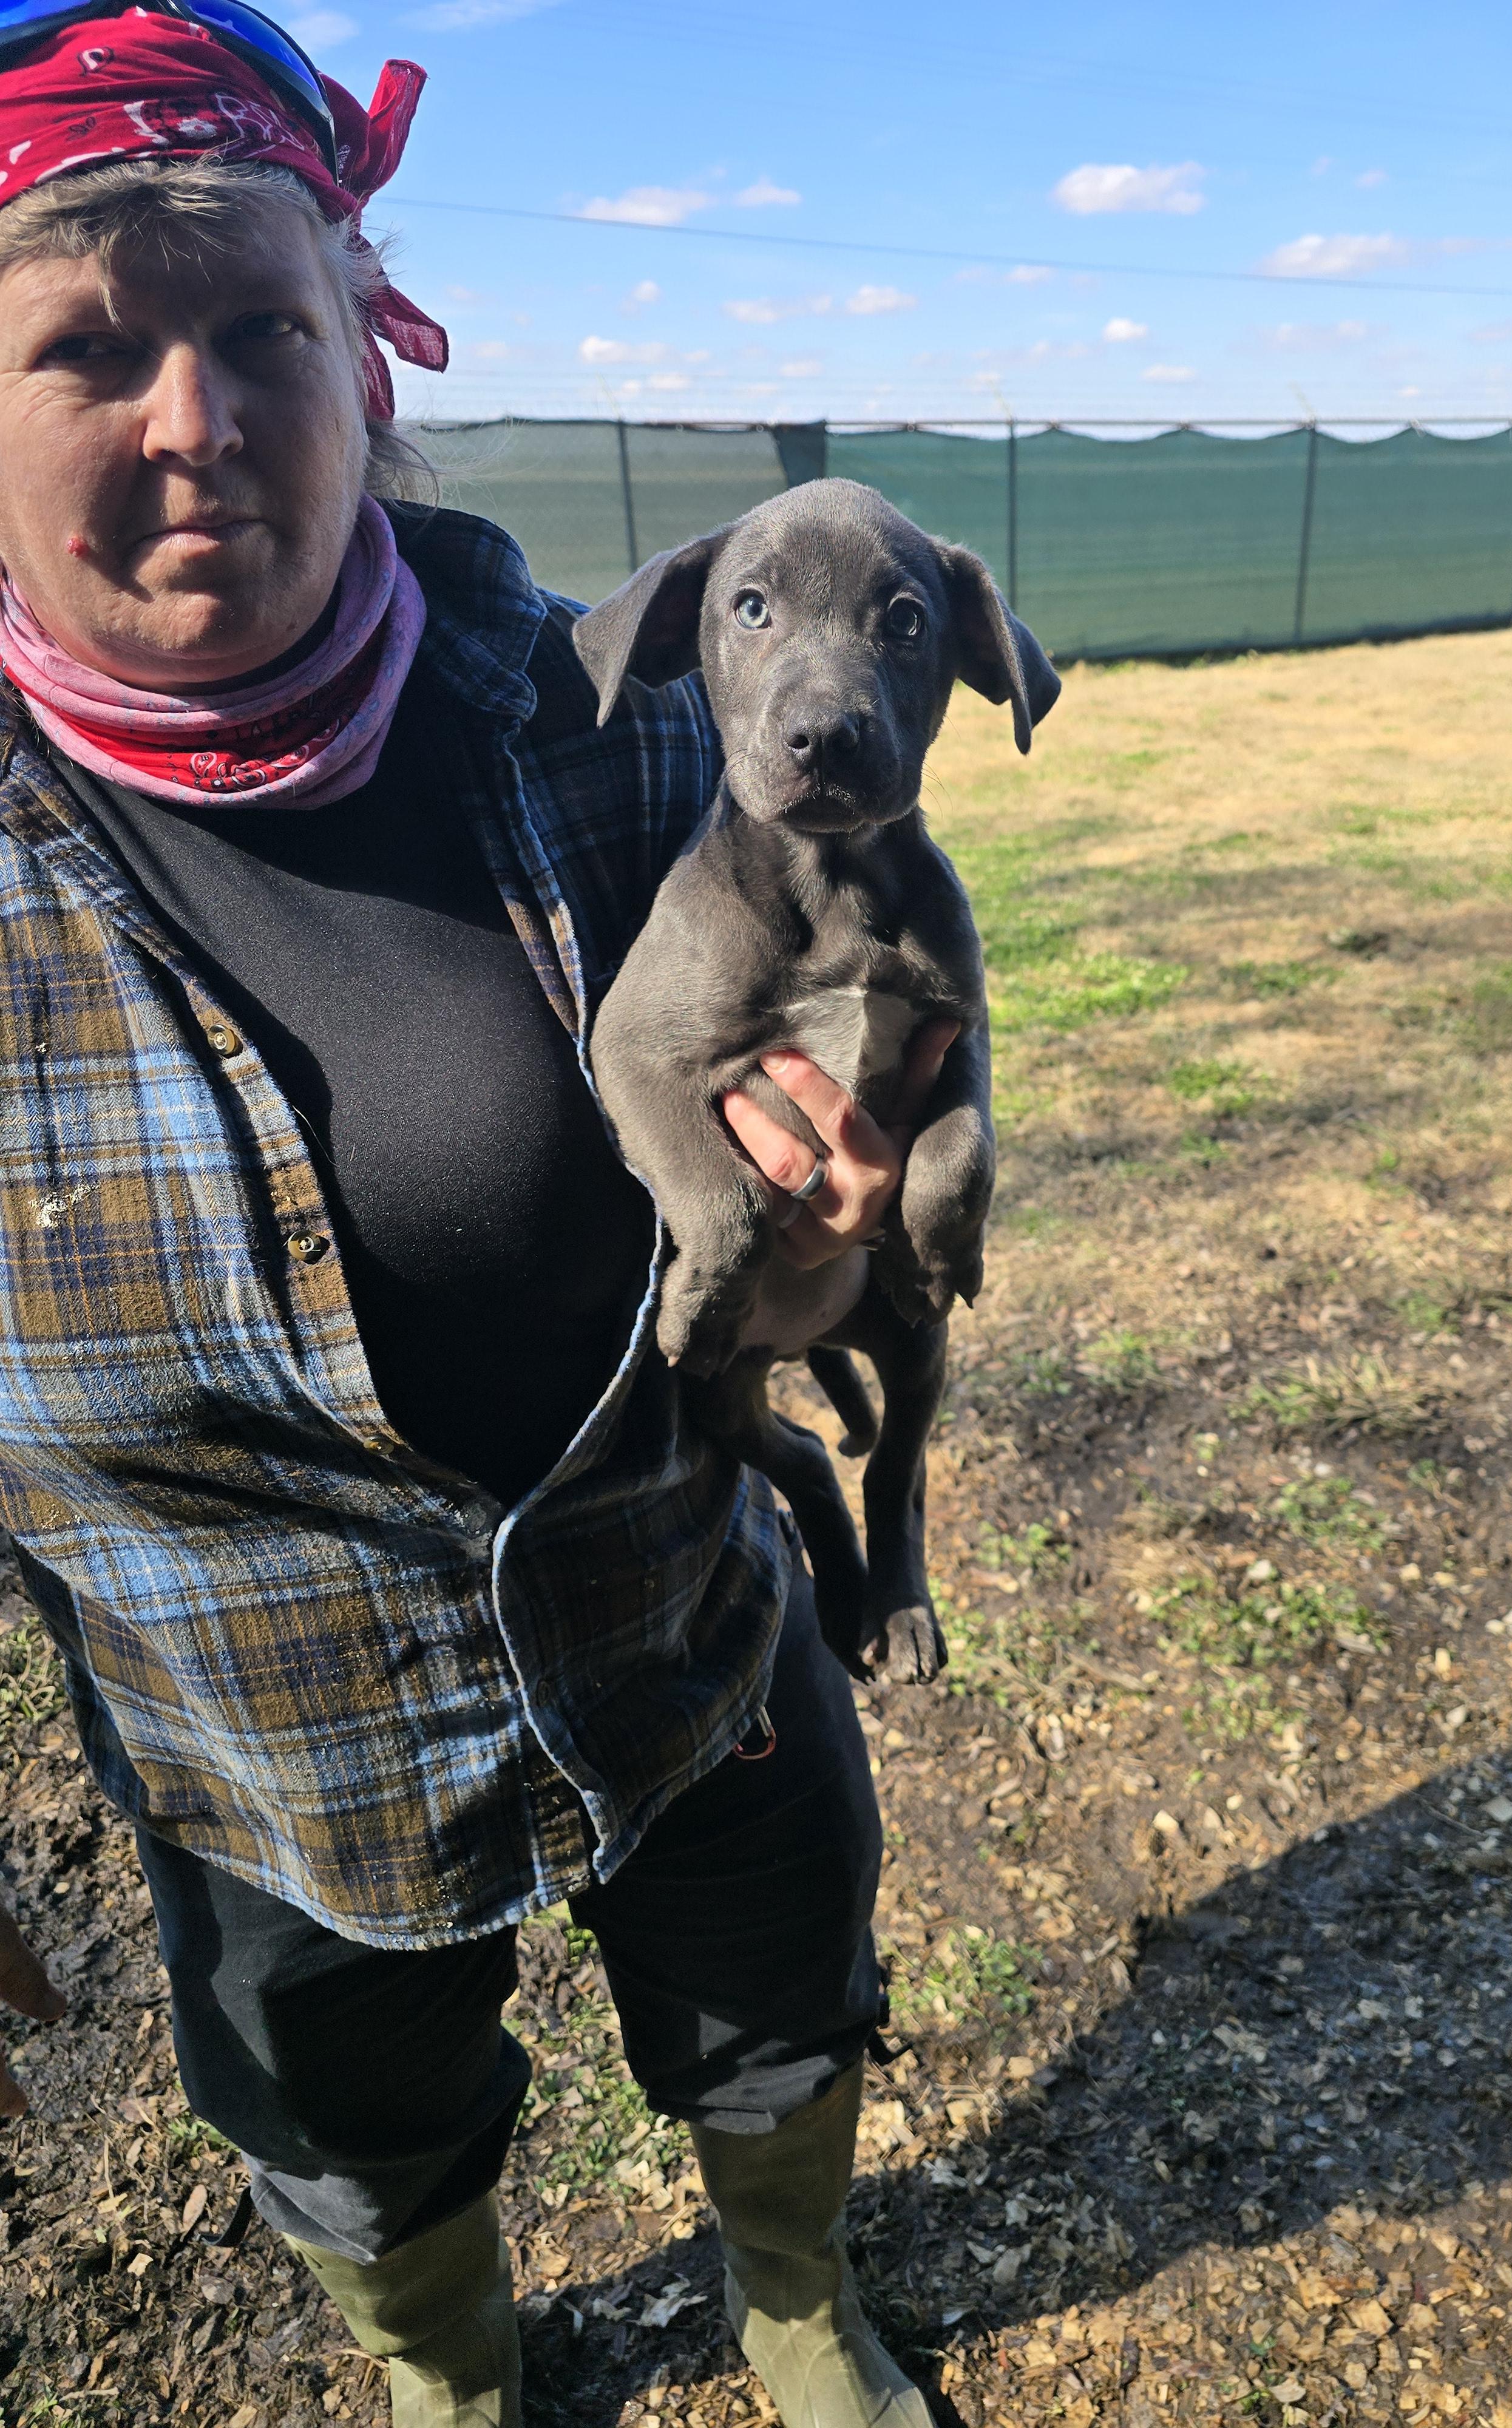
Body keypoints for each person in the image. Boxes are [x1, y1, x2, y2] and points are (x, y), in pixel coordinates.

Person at [0, 9, 950, 2424]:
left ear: (364, 358)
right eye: (86, 349)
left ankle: (799, 2293)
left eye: (258, 329)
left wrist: (882, 1130)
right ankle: (453, 2370)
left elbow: (887, 952)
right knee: (358, 2125)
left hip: (677, 1618)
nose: (194, 416)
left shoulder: (604, 716)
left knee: (771, 2000)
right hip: (261, 1732)